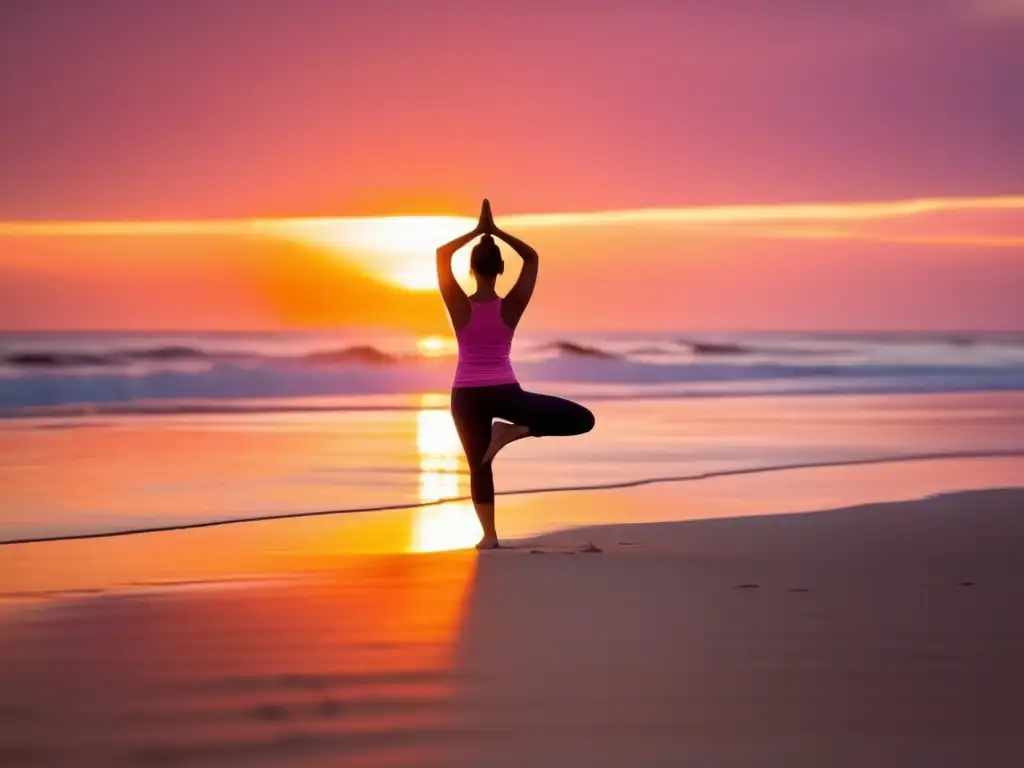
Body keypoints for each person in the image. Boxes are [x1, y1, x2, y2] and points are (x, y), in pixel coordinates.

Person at [436, 199, 595, 549]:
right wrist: (497, 232)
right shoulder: (510, 306)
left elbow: (441, 255)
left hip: (466, 395)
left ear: (471, 270)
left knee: (479, 465)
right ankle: (513, 432)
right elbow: (533, 258)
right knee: (584, 419)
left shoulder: (459, 306)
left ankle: (489, 537)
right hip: (505, 391)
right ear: (502, 268)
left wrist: (478, 231)